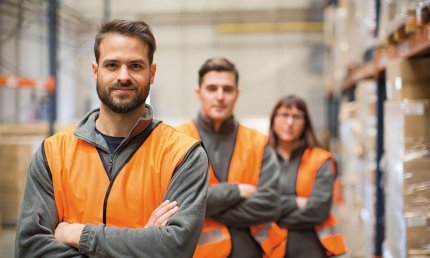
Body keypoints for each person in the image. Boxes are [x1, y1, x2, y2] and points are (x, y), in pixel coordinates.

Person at [15, 19, 209, 258]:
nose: (124, 76)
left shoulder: (183, 154)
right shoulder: (52, 154)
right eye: (112, 65)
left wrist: (79, 234)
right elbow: (31, 249)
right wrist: (143, 244)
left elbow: (174, 248)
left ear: (152, 73)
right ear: (96, 71)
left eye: (135, 66)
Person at [177, 57, 285, 258]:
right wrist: (236, 191)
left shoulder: (258, 142)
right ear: (199, 93)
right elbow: (175, 202)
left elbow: (271, 204)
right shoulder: (176, 140)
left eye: (227, 89)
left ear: (237, 94)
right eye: (212, 89)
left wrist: (200, 206)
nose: (220, 97)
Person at [268, 95, 347, 257]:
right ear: (273, 119)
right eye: (284, 115)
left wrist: (271, 216)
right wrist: (297, 202)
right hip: (268, 248)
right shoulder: (260, 158)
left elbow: (318, 210)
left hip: (309, 248)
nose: (289, 123)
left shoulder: (320, 159)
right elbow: (251, 204)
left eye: (296, 117)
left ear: (305, 122)